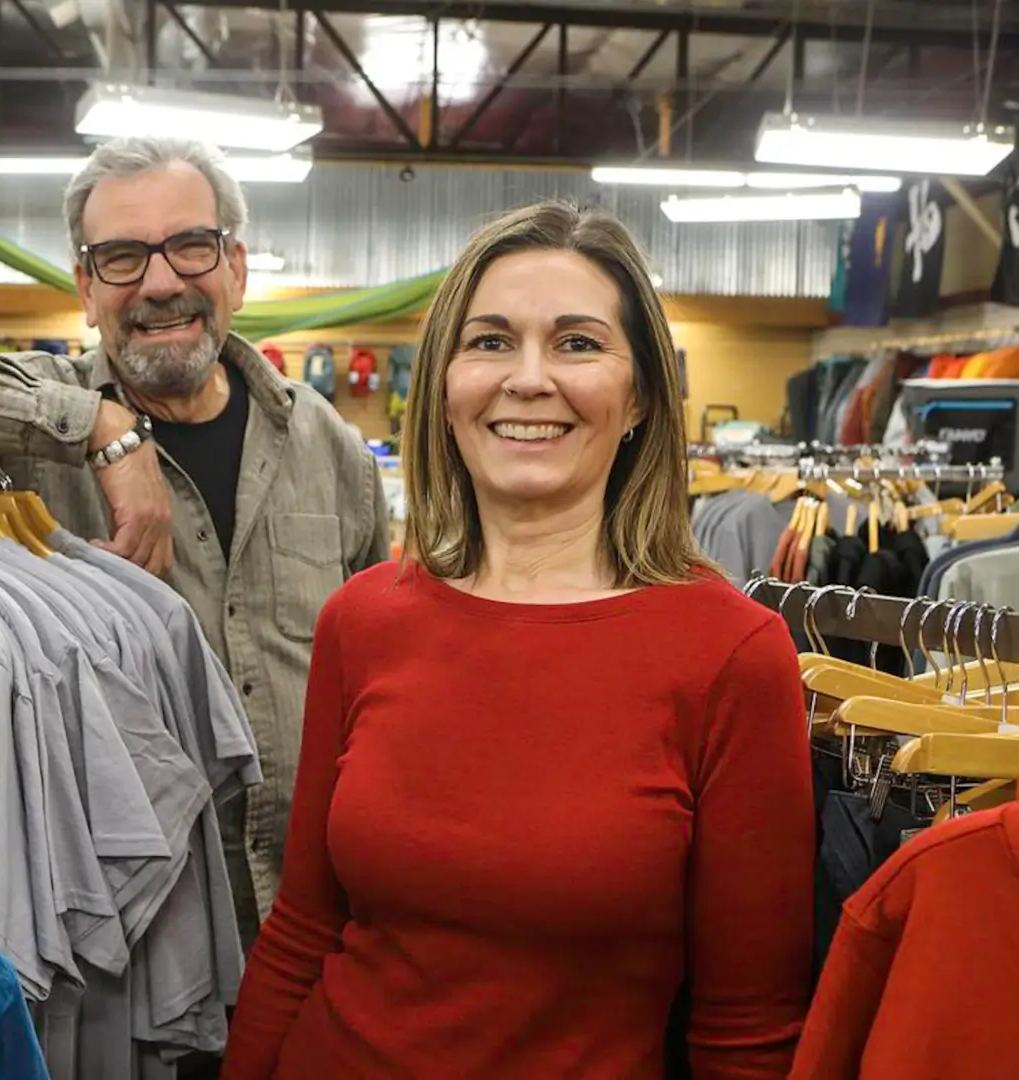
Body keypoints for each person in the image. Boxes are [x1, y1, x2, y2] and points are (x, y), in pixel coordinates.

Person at [221, 201, 815, 1079]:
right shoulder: (364, 619)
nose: (527, 378)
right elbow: (303, 933)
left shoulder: (730, 653)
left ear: (642, 395)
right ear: (446, 386)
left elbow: (748, 1030)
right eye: (489, 341)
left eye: (576, 343)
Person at [0, 136, 389, 952]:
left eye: (190, 246)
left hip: (313, 918)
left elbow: (376, 681)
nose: (160, 282)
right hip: (133, 937)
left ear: (237, 268)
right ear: (84, 286)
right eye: (120, 257)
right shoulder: (29, 422)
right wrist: (93, 428)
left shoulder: (329, 447)